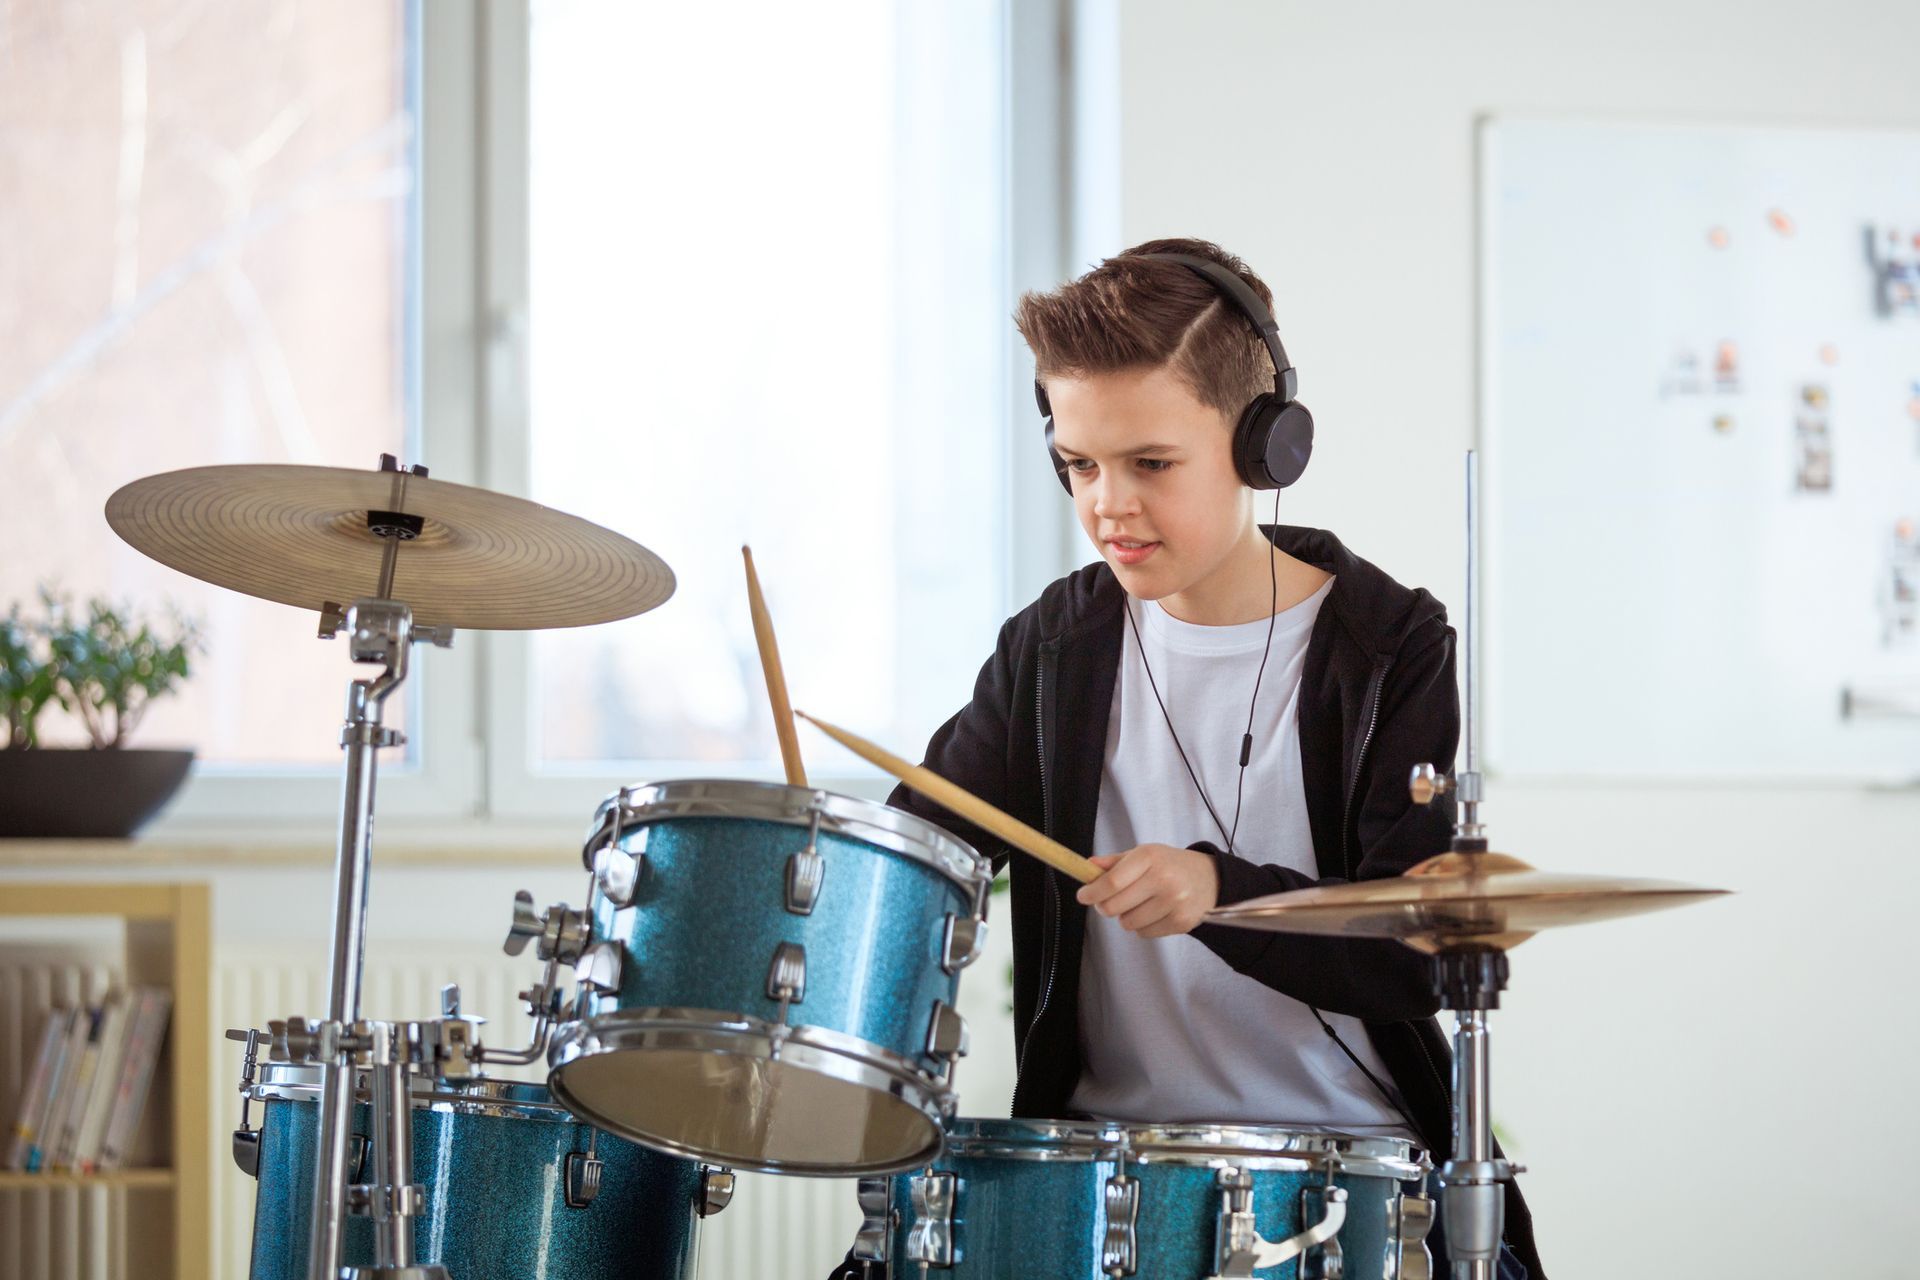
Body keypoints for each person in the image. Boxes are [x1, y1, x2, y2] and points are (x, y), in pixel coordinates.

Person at [834, 238, 1540, 1278]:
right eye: (1079, 464)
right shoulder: (1055, 646)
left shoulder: (1390, 646)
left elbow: (1409, 954)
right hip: (1101, 1172)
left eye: (1151, 464)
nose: (1108, 503)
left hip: (1343, 1174)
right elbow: (921, 852)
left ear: (1265, 447)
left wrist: (1218, 891)